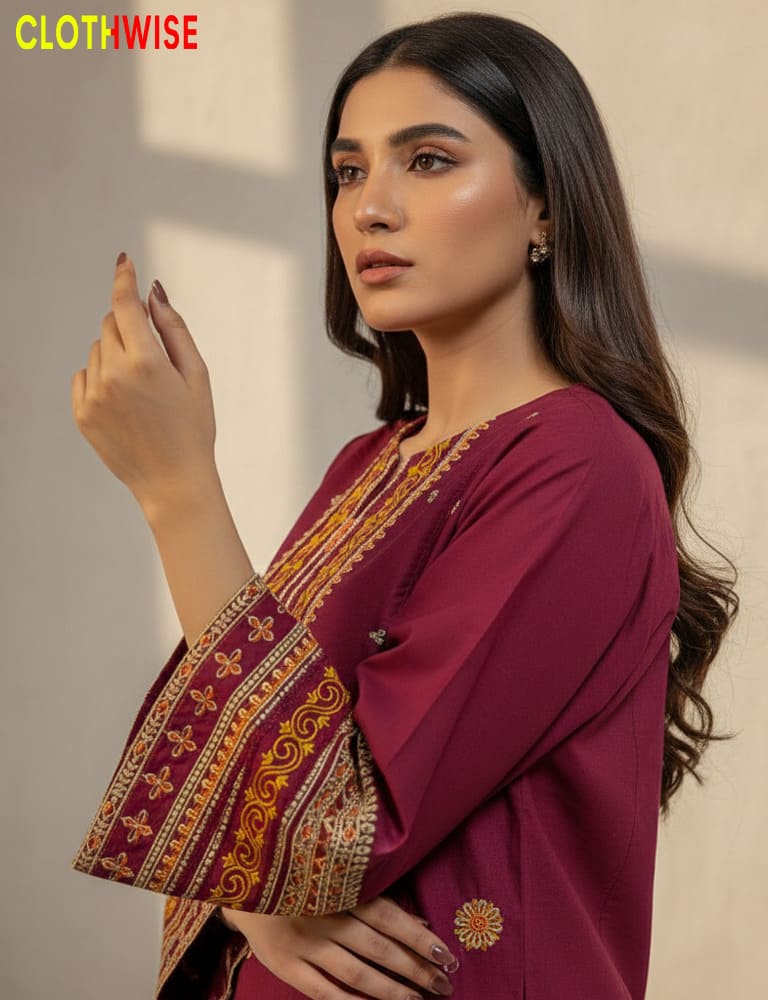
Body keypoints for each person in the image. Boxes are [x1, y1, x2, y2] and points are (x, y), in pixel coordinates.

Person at [70, 12, 739, 1000]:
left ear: (545, 208)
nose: (370, 208)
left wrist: (178, 487)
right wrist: (249, 896)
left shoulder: (576, 461)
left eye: (428, 161)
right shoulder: (367, 465)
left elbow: (338, 831)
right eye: (348, 172)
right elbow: (235, 782)